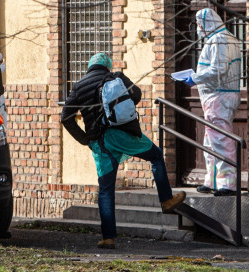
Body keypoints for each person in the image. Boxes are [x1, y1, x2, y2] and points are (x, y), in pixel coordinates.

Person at [61, 53, 186, 249]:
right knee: (155, 156)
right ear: (107, 66)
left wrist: (85, 139)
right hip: (125, 134)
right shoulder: (116, 77)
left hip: (100, 142)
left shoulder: (78, 87)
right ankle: (166, 200)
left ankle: (108, 237)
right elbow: (136, 94)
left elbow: (66, 118)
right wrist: (118, 110)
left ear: (89, 66)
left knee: (106, 189)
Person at [182, 8, 241, 197]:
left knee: (221, 140)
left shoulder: (219, 39)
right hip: (217, 96)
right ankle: (213, 179)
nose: (199, 28)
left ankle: (228, 184)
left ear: (207, 23)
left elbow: (218, 69)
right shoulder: (226, 37)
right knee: (210, 141)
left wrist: (196, 78)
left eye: (200, 24)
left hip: (219, 96)